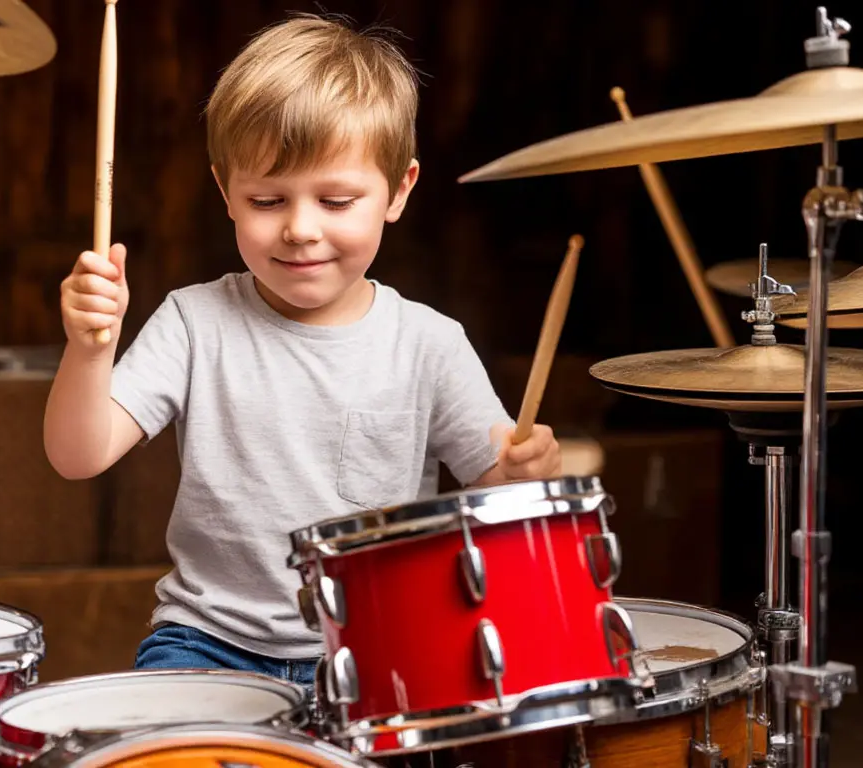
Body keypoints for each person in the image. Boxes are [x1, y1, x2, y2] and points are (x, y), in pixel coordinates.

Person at [43, 14, 561, 694]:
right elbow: (77, 456)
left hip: (378, 646)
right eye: (267, 199)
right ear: (226, 191)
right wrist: (89, 350)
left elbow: (499, 495)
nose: (300, 228)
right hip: (207, 643)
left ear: (399, 190)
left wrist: (526, 473)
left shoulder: (430, 344)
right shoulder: (194, 322)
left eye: (336, 200)